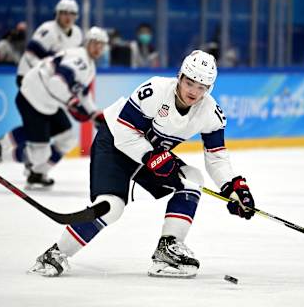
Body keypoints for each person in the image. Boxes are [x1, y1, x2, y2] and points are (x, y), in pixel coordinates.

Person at [29, 50, 256, 278]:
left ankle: (167, 248)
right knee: (112, 207)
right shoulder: (156, 90)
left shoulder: (210, 112)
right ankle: (55, 254)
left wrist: (232, 187)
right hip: (114, 142)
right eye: (190, 82)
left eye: (202, 87)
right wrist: (152, 157)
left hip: (150, 154)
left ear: (210, 88)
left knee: (192, 180)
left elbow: (216, 156)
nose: (194, 91)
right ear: (180, 76)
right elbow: (125, 132)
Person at [0, 27, 108, 189]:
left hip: (47, 100)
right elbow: (56, 83)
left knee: (67, 139)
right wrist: (73, 104)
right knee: (40, 153)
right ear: (87, 43)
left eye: (102, 45)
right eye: (95, 43)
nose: (98, 48)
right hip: (34, 96)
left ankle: (35, 172)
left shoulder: (89, 65)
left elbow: (83, 93)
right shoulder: (79, 60)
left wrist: (93, 113)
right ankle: (1, 154)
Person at [0, 0, 84, 183]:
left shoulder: (77, 35)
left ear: (76, 16)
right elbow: (30, 56)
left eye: (71, 14)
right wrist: (49, 74)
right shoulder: (48, 31)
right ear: (57, 14)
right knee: (40, 138)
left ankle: (15, 157)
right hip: (31, 82)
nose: (67, 17)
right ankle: (16, 158)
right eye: (64, 13)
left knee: (62, 135)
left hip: (49, 90)